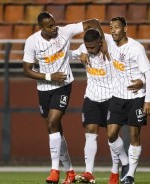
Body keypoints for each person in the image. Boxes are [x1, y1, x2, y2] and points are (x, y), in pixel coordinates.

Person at [22, 12, 109, 184]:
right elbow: (26, 70)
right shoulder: (32, 42)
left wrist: (104, 42)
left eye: (54, 24)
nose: (53, 28)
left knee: (52, 122)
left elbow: (93, 21)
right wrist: (49, 76)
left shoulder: (65, 31)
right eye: (49, 26)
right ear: (41, 28)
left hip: (63, 86)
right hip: (44, 87)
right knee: (55, 130)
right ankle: (69, 170)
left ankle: (54, 171)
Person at [71, 29, 143, 184]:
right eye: (87, 47)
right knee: (90, 131)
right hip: (91, 96)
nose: (89, 50)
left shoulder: (113, 47)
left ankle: (118, 168)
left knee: (112, 136)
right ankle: (89, 172)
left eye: (92, 47)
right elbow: (67, 54)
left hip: (112, 96)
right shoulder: (84, 49)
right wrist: (77, 55)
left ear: (100, 42)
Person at [105, 17, 150, 184]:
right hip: (118, 97)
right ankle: (125, 162)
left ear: (125, 28)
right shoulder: (110, 44)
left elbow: (148, 73)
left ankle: (130, 175)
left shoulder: (136, 48)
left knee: (134, 135)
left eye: (117, 27)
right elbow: (93, 32)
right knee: (111, 134)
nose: (113, 30)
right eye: (111, 27)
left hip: (136, 97)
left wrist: (148, 100)